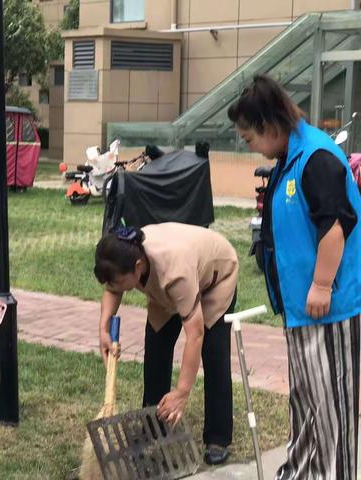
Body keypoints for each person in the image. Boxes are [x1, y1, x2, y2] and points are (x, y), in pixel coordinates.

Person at [228, 74, 361, 479]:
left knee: (334, 412)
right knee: (308, 407)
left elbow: (336, 224)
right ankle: (301, 472)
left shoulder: (315, 157)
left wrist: (322, 285)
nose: (248, 144)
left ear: (269, 125)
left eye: (248, 136)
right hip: (304, 314)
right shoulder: (290, 157)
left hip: (331, 311)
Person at [94, 222, 238, 465]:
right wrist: (103, 329)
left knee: (214, 353)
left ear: (138, 267)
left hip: (216, 276)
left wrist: (182, 392)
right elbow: (112, 289)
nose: (116, 287)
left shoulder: (175, 272)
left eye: (119, 281)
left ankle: (218, 437)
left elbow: (195, 335)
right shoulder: (126, 256)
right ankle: (153, 424)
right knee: (156, 349)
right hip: (166, 284)